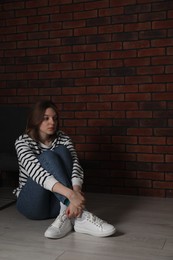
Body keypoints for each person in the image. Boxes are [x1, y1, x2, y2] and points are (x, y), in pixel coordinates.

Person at [13, 100, 116, 239]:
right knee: (47, 156)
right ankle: (82, 215)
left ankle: (67, 216)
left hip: (57, 205)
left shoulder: (63, 138)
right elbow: (36, 172)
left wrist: (77, 191)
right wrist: (71, 197)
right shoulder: (22, 142)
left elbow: (76, 165)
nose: (52, 122)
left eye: (55, 118)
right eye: (46, 118)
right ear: (35, 120)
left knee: (62, 150)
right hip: (32, 204)